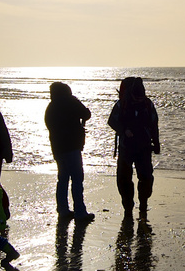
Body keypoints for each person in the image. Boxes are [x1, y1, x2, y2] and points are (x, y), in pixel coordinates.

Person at [107, 75, 160, 214]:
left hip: (144, 147)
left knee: (146, 177)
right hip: (126, 147)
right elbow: (112, 121)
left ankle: (143, 203)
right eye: (137, 98)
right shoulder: (121, 104)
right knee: (124, 179)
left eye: (141, 97)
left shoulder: (148, 104)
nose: (139, 100)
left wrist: (157, 143)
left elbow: (154, 124)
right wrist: (124, 131)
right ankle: (128, 207)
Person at [44, 81, 94, 222]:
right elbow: (86, 114)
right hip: (72, 146)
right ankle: (80, 212)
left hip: (58, 147)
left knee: (63, 179)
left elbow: (49, 125)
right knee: (77, 179)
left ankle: (63, 210)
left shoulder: (51, 107)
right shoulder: (70, 101)